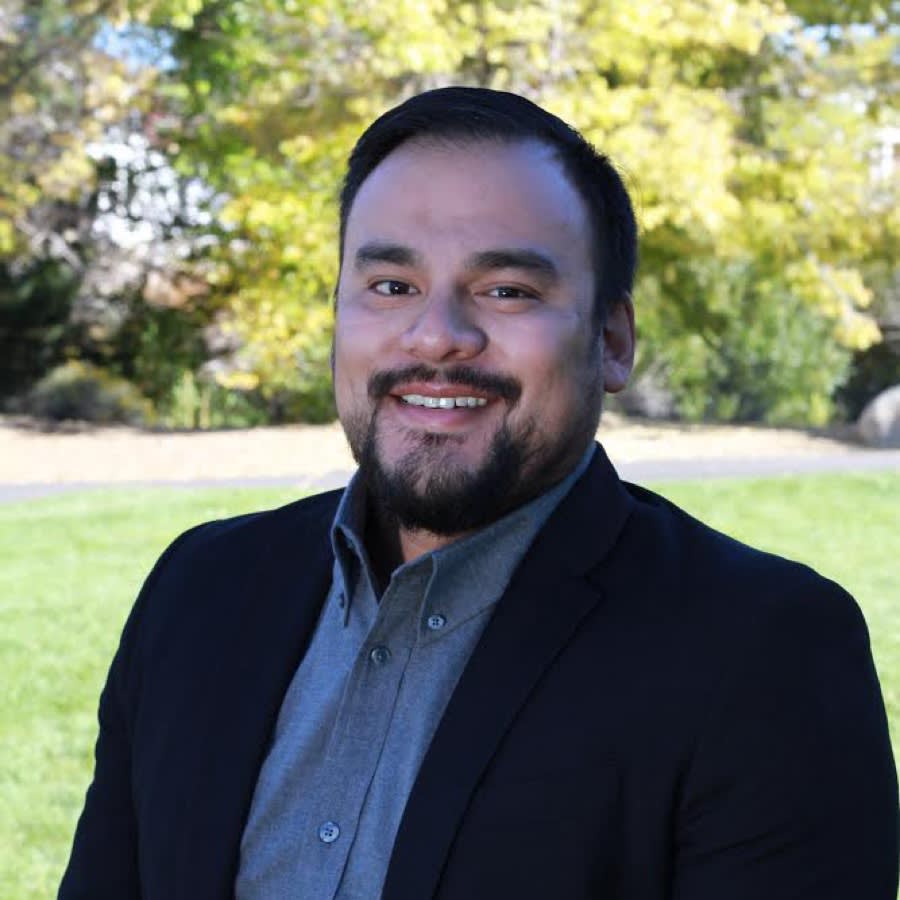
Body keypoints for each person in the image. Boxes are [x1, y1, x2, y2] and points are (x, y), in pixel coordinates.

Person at [60, 87, 898, 899]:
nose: (437, 336)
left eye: (508, 291)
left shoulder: (765, 652)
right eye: (392, 285)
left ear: (611, 341)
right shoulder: (198, 590)